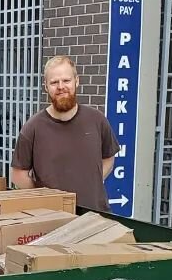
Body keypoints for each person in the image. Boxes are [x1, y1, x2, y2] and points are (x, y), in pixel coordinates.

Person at [11, 55, 118, 212]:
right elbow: (18, 176)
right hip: (52, 220)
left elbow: (109, 157)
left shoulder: (97, 120)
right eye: (54, 82)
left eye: (66, 80)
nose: (61, 86)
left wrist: (92, 181)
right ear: (46, 87)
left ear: (77, 81)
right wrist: (45, 199)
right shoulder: (32, 128)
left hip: (96, 217)